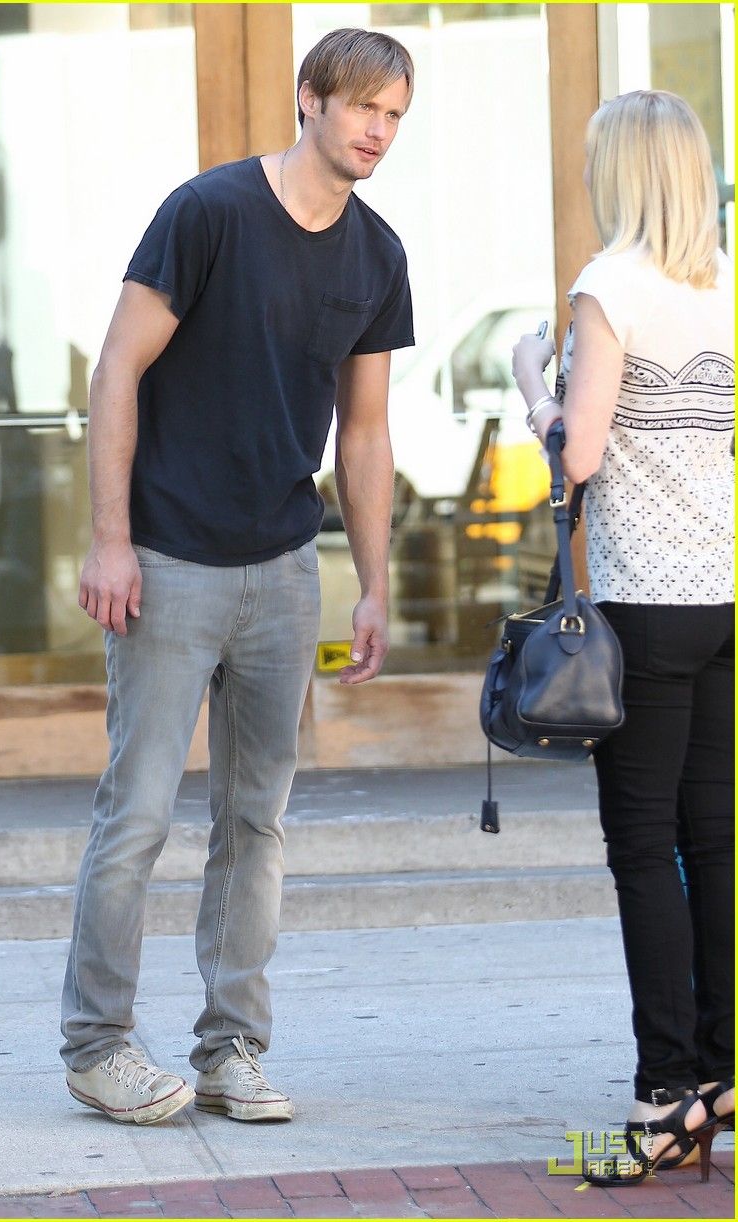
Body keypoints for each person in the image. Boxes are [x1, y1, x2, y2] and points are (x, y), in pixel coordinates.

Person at [60, 28, 415, 1126]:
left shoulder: (377, 254)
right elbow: (116, 367)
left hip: (283, 569)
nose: (377, 131)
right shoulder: (208, 212)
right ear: (309, 99)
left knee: (256, 823)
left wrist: (372, 582)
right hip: (169, 560)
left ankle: (230, 1050)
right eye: (362, 107)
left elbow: (364, 433)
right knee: (138, 814)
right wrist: (109, 538)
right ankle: (97, 1047)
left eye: (394, 116)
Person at [512, 90, 734, 1184]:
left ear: (623, 173)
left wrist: (529, 380)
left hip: (644, 606)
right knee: (716, 840)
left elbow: (580, 452)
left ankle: (661, 1097)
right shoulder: (721, 282)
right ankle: (721, 1075)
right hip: (722, 600)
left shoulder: (608, 286)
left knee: (643, 847)